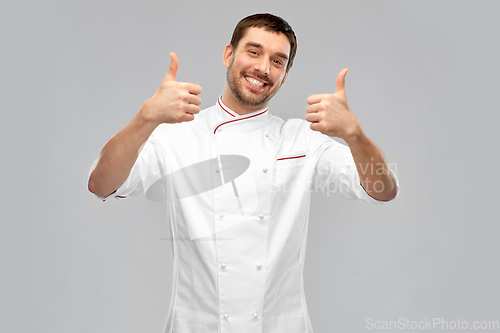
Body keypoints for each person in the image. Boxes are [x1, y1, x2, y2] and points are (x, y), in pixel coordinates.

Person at [88, 13, 399, 333]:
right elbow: (101, 184)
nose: (264, 68)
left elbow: (382, 189)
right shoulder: (176, 136)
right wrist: (145, 119)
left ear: (285, 75)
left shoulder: (301, 139)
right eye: (254, 51)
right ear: (229, 54)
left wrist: (355, 135)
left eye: (278, 61)